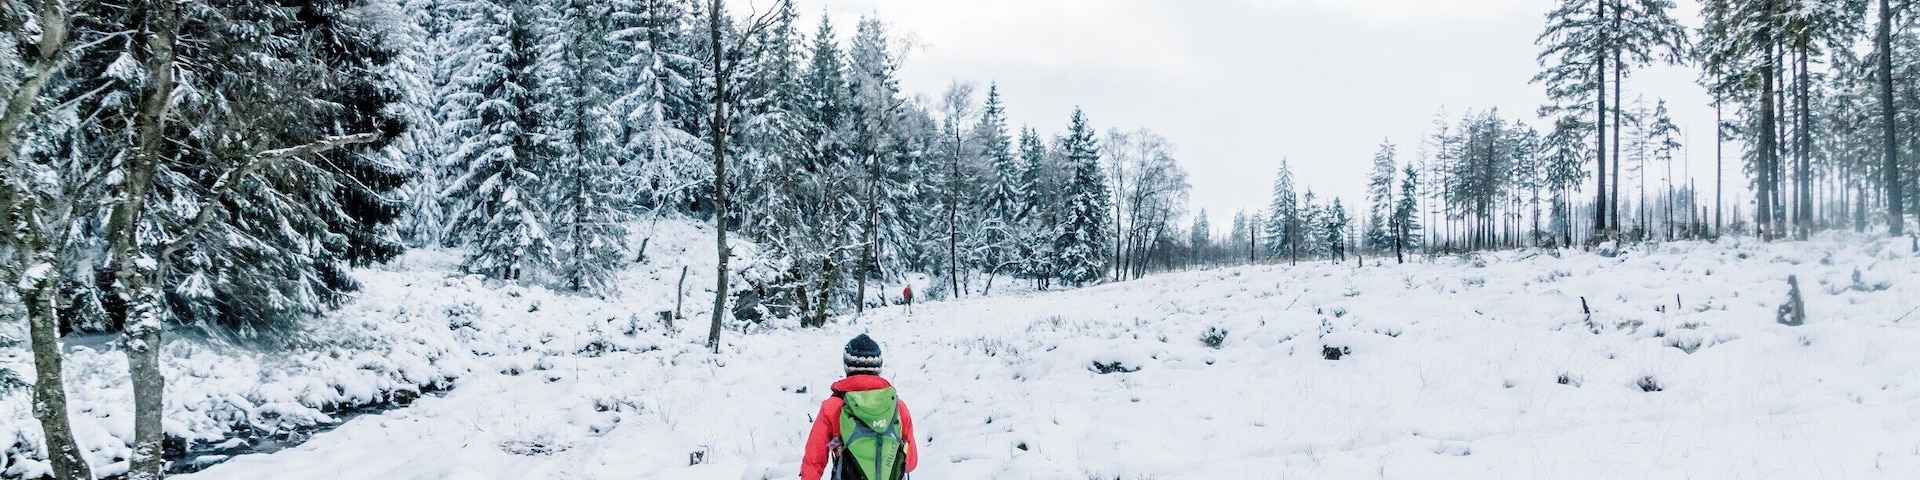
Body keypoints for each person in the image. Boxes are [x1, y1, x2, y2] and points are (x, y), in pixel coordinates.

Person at [801, 334, 918, 480]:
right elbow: (910, 463)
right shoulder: (898, 407)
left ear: (847, 368)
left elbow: (814, 461)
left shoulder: (833, 406)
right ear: (878, 368)